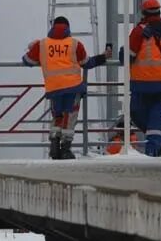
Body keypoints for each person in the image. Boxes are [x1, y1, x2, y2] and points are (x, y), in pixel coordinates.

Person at [20, 16, 110, 159]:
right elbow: (87, 63)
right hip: (73, 87)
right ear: (68, 28)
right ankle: (66, 149)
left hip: (54, 88)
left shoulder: (42, 44)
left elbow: (27, 61)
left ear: (52, 27)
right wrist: (103, 57)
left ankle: (54, 147)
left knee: (57, 116)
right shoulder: (75, 44)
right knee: (70, 116)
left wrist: (33, 46)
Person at [129, 0, 161, 157]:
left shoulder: (139, 32)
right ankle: (158, 142)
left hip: (141, 81)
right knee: (157, 112)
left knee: (136, 113)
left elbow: (128, 56)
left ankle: (155, 146)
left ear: (143, 13)